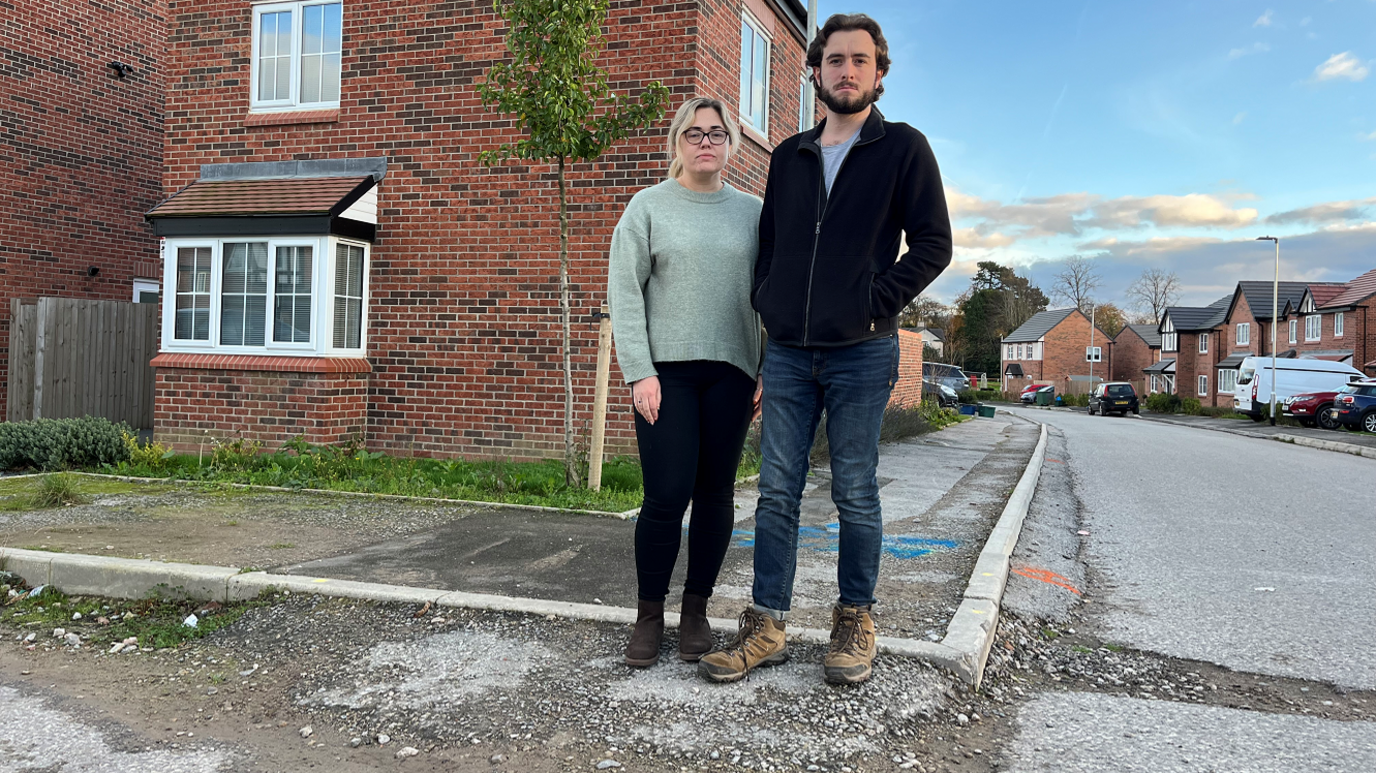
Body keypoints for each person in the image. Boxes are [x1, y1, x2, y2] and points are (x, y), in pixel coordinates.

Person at [699, 13, 952, 685]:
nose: (846, 70)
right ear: (816, 71)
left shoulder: (904, 149)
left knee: (855, 490)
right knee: (776, 490)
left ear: (879, 73)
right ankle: (768, 625)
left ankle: (854, 620)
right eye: (834, 59)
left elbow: (933, 244)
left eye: (859, 60)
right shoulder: (789, 154)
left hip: (862, 352)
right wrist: (769, 299)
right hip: (787, 351)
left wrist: (875, 298)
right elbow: (773, 247)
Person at [607, 97, 765, 668]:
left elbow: (767, 294)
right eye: (694, 133)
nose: (705, 142)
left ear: (731, 145)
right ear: (676, 142)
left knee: (716, 495)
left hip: (731, 372)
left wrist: (765, 366)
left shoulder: (752, 212)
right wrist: (639, 373)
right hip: (665, 376)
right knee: (666, 495)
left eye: (716, 133)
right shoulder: (647, 207)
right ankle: (649, 617)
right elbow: (624, 293)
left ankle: (695, 613)